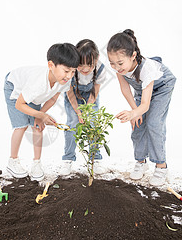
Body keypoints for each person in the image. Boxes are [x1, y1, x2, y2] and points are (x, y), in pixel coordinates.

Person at [107, 29, 176, 186]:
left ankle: (161, 166)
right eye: (112, 63)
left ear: (132, 56)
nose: (116, 67)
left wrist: (134, 112)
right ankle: (141, 162)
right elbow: (125, 89)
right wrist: (134, 113)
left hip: (161, 88)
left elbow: (145, 105)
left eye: (119, 63)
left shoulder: (147, 68)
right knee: (137, 125)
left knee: (153, 124)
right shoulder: (119, 68)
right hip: (141, 90)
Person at [4, 43, 80, 181]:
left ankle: (36, 163)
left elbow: (52, 100)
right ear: (51, 65)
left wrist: (40, 117)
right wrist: (42, 115)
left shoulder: (64, 80)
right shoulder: (37, 83)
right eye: (66, 70)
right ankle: (12, 161)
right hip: (15, 87)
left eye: (73, 71)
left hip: (33, 95)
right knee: (21, 126)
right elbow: (19, 104)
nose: (69, 76)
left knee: (37, 126)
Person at [61, 39, 107, 176]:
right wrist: (79, 112)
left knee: (93, 124)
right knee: (73, 124)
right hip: (73, 97)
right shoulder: (70, 70)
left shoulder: (100, 69)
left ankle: (95, 158)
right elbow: (69, 92)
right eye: (81, 65)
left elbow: (95, 92)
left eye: (90, 65)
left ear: (97, 59)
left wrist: (86, 112)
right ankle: (68, 159)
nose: (85, 69)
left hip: (90, 97)